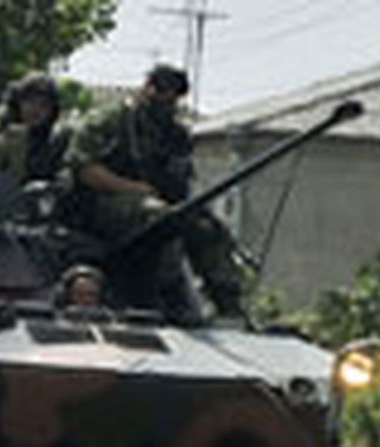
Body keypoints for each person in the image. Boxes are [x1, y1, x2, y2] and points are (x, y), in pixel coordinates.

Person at [66, 63, 246, 321]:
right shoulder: (112, 121)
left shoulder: (176, 136)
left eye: (173, 93)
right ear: (147, 87)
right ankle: (161, 298)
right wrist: (132, 189)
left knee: (207, 226)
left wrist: (195, 215)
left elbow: (179, 187)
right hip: (101, 206)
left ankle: (228, 305)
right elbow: (84, 169)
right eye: (160, 89)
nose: (165, 98)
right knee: (163, 219)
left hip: (156, 208)